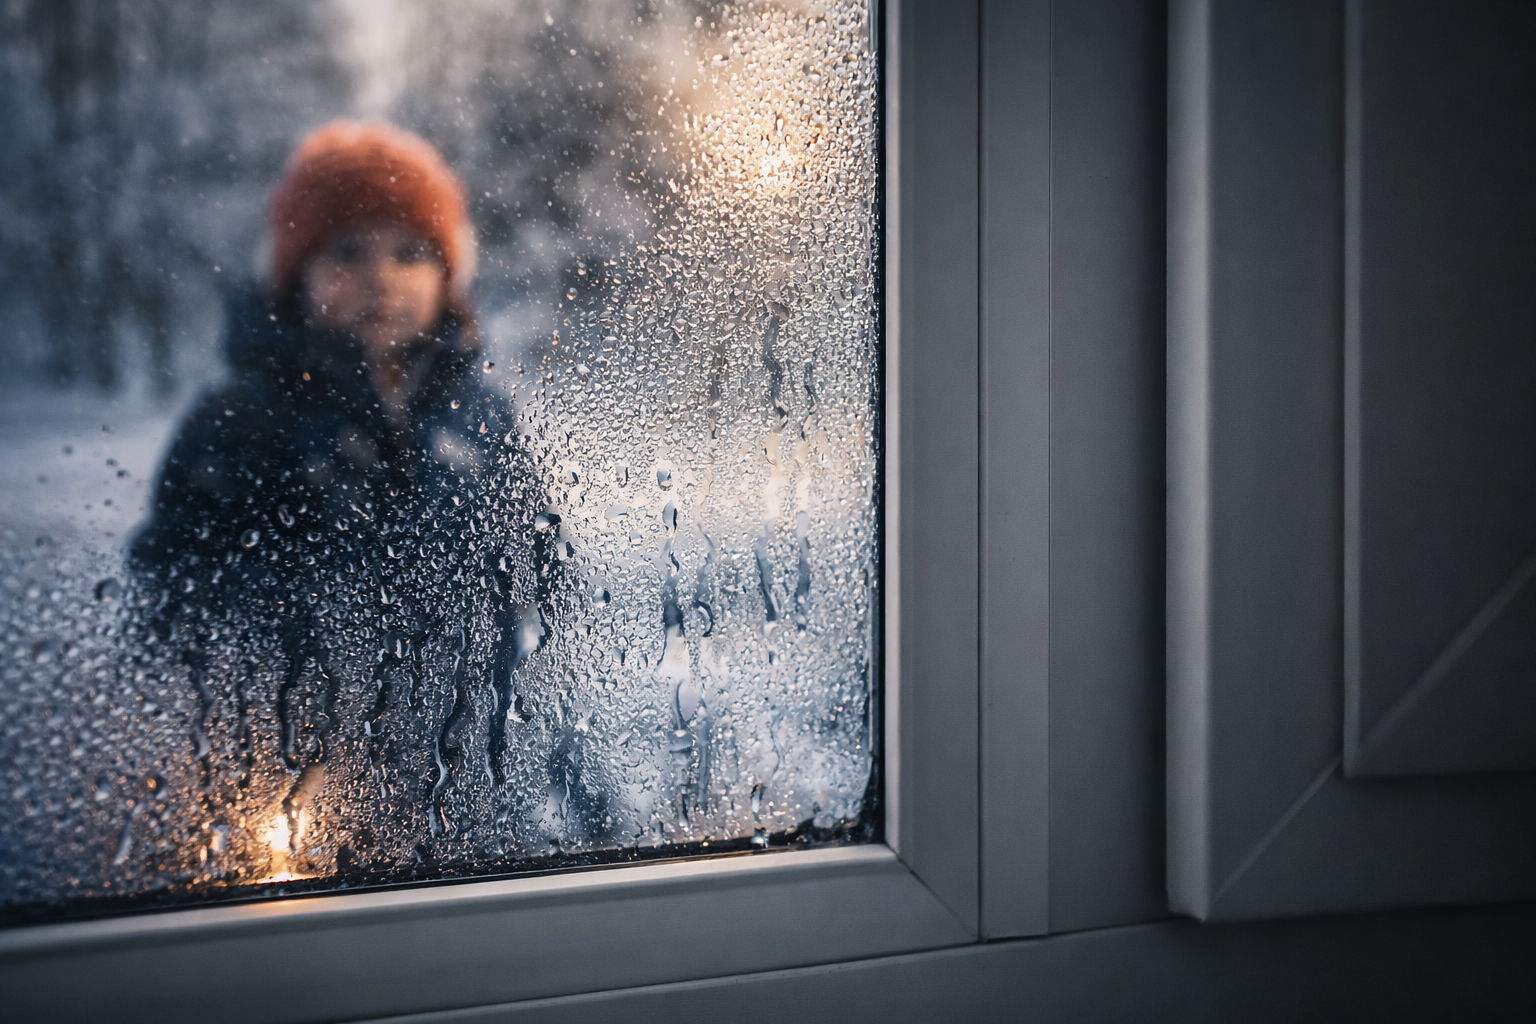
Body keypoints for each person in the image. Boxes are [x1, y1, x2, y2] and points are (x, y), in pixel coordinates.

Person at [130, 121, 556, 858]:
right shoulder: (241, 420)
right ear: (295, 274)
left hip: (462, 768)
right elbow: (174, 587)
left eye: (411, 253)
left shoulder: (478, 414)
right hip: (290, 777)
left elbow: (536, 555)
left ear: (449, 276)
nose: (381, 277)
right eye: (348, 251)